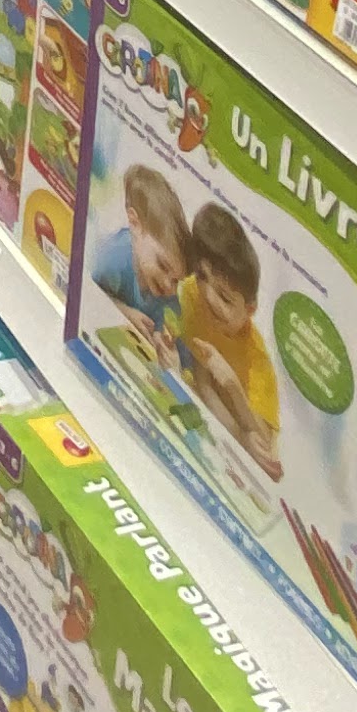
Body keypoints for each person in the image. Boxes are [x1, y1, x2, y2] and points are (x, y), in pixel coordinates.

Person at [173, 203, 281, 477]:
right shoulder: (192, 293)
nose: (209, 297)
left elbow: (267, 451)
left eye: (225, 297)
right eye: (202, 276)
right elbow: (202, 381)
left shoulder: (257, 361)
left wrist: (233, 387)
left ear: (250, 310)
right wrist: (239, 436)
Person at [88, 161, 190, 324]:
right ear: (135, 225)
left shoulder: (167, 295)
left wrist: (160, 335)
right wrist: (124, 311)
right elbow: (85, 287)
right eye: (162, 265)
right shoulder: (113, 255)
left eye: (175, 281)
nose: (168, 286)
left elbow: (169, 324)